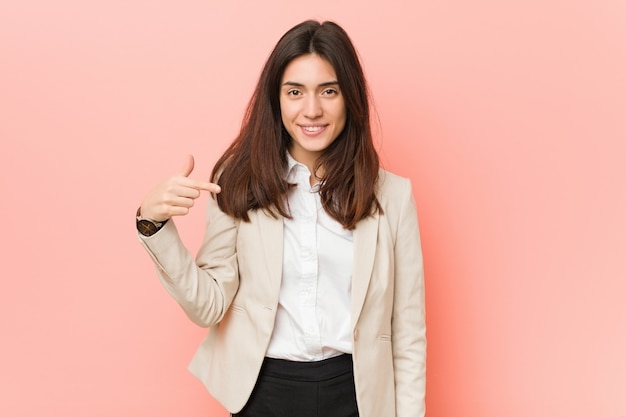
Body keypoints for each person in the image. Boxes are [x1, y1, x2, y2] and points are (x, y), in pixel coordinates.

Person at [136, 20, 426, 417]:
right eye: (295, 92)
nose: (312, 110)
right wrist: (154, 225)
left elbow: (408, 335)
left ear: (350, 98)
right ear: (276, 100)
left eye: (329, 91)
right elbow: (208, 306)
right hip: (265, 393)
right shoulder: (237, 182)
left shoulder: (392, 196)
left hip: (358, 394)